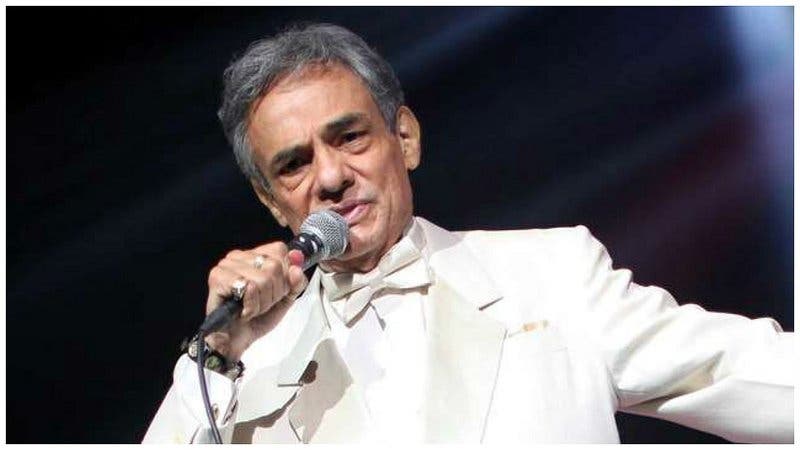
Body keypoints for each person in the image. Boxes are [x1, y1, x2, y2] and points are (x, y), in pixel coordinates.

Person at [142, 23, 793, 444]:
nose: (332, 177)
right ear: (271, 200)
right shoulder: (238, 363)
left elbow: (738, 370)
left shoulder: (551, 275)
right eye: (295, 164)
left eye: (350, 137)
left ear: (404, 138)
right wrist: (217, 356)